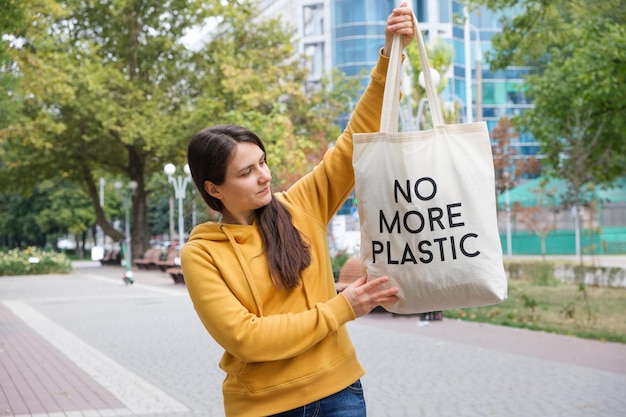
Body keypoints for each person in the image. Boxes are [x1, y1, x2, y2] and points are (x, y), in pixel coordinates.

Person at [181, 4, 415, 416]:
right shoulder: (201, 254)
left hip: (340, 393)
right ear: (213, 188)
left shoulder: (300, 206)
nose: (265, 176)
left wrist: (390, 56)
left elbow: (354, 141)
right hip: (264, 407)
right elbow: (247, 338)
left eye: (263, 162)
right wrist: (345, 306)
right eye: (247, 172)